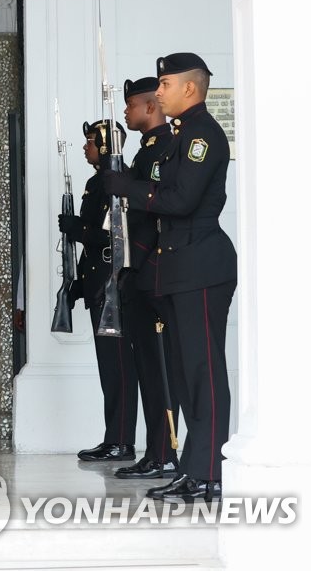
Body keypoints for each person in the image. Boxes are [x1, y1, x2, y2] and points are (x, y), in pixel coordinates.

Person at [104, 53, 237, 503]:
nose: (157, 93)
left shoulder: (203, 135)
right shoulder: (182, 134)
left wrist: (127, 188)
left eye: (164, 84)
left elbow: (179, 201)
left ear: (189, 88)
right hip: (178, 268)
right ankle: (192, 468)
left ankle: (211, 472)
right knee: (183, 375)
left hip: (201, 264)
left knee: (203, 373)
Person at [59, 119, 138, 463]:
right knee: (109, 367)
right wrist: (78, 283)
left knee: (119, 367)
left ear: (106, 146)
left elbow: (115, 238)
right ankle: (113, 437)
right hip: (98, 283)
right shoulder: (96, 183)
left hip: (114, 284)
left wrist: (78, 229)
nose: (85, 147)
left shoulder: (120, 183)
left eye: (91, 141)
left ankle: (121, 441)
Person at [112, 76, 180, 480]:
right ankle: (155, 452)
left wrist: (134, 264)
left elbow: (153, 216)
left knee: (159, 369)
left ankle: (163, 453)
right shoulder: (146, 151)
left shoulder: (165, 149)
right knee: (148, 369)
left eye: (131, 105)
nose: (126, 111)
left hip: (153, 270)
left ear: (149, 106)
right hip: (138, 273)